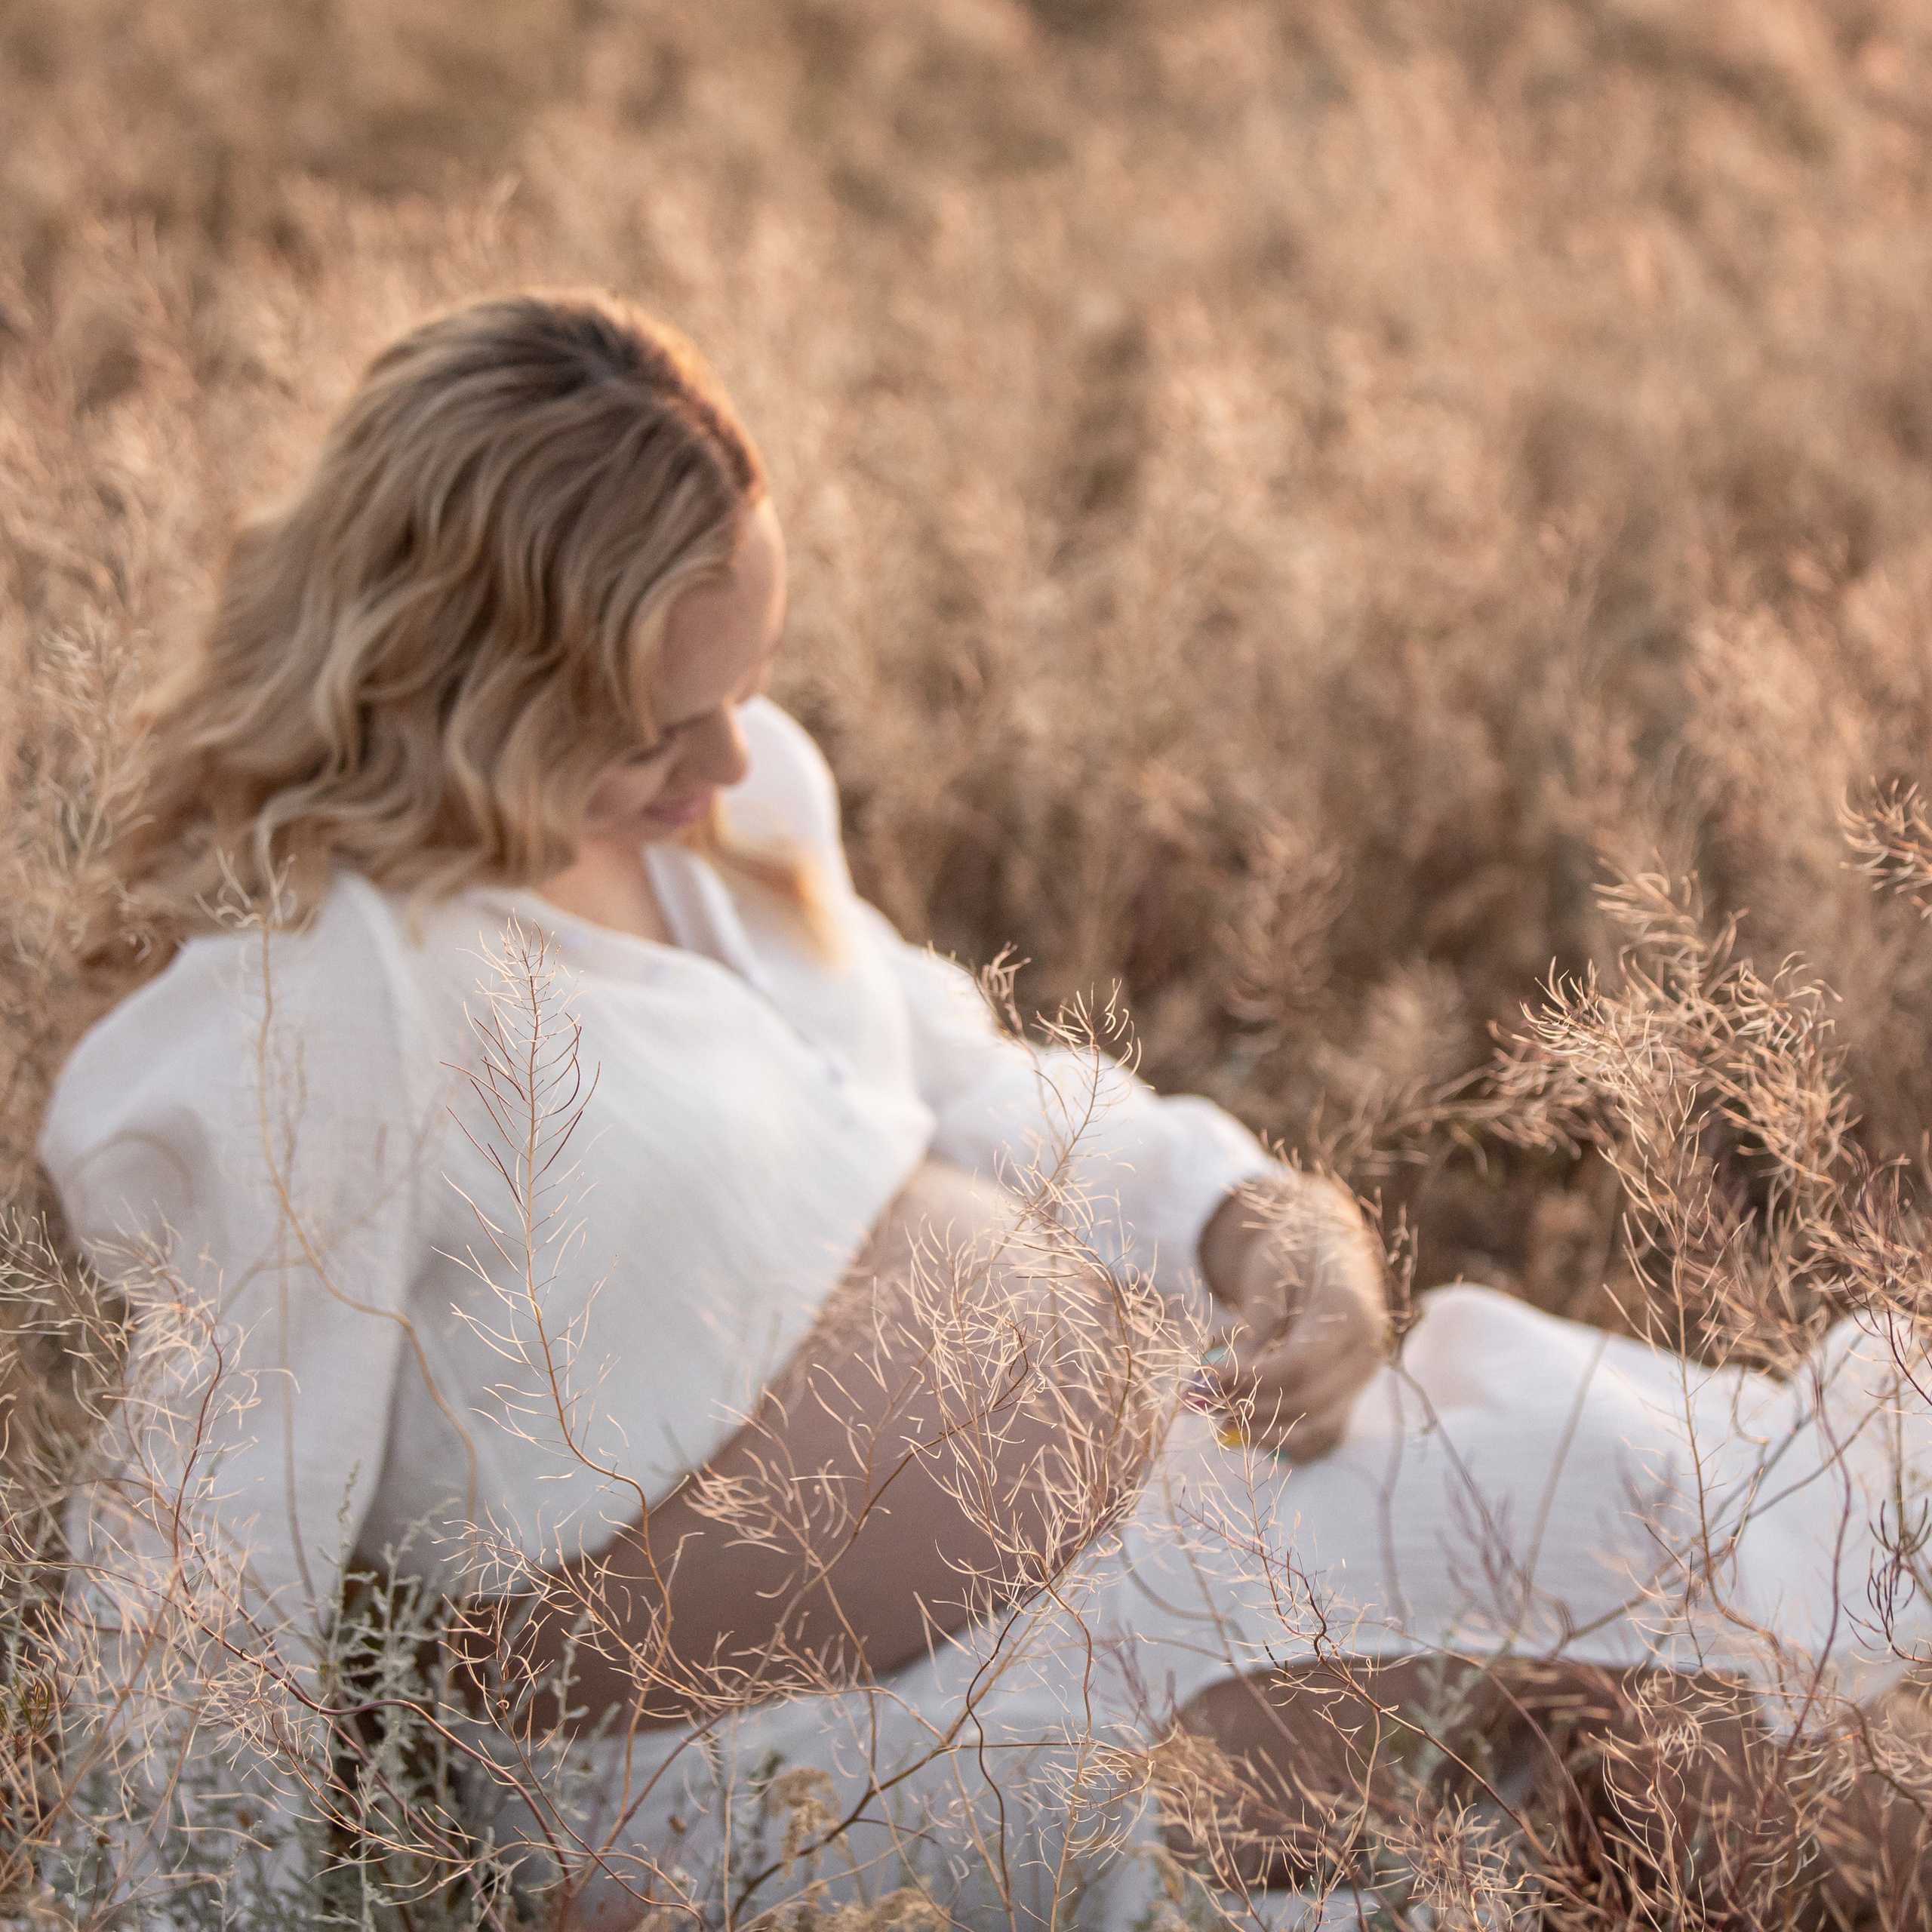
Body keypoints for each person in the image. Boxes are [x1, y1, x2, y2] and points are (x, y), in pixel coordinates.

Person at [42, 293, 1930, 1930]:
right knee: (1687, 1736)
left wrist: (1246, 1216)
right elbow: (201, 1576)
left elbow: (952, 1079)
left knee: (1732, 1544)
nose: (722, 768)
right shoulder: (332, 1003)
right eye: (649, 725)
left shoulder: (723, 807)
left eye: (742, 690)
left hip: (1197, 1485)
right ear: (453, 681)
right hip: (884, 1742)